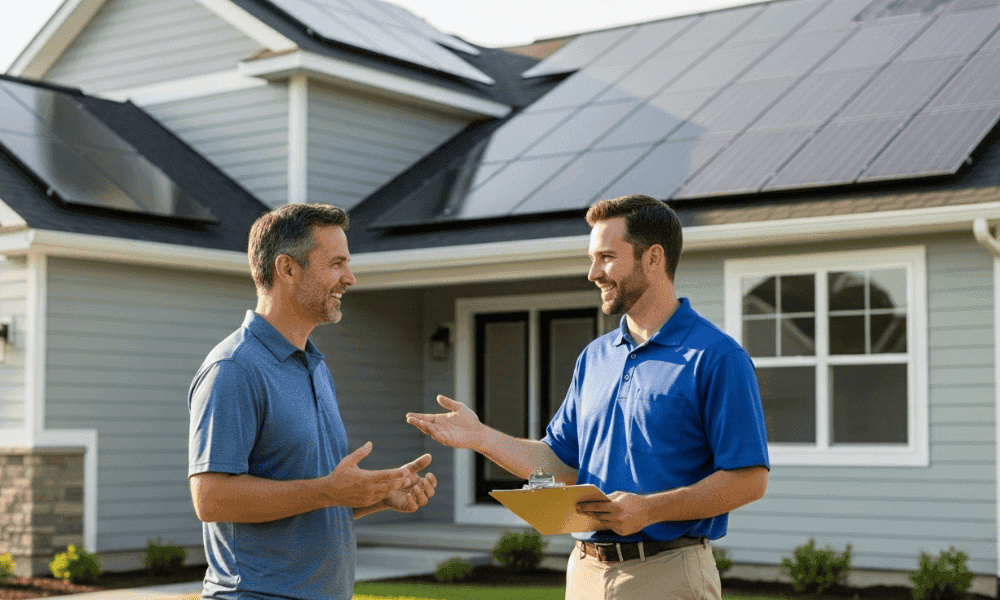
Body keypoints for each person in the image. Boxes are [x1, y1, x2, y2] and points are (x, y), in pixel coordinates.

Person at [406, 194, 769, 600]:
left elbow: (749, 480)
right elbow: (560, 463)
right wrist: (480, 437)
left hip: (667, 573)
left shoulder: (716, 356)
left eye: (607, 257)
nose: (593, 273)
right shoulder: (595, 357)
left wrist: (650, 510)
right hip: (585, 572)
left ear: (653, 258)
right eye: (593, 259)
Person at [188, 203, 437, 600]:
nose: (349, 278)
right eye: (336, 264)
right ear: (287, 269)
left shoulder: (315, 367)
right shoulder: (234, 368)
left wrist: (375, 496)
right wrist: (329, 491)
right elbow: (211, 498)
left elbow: (309, 497)